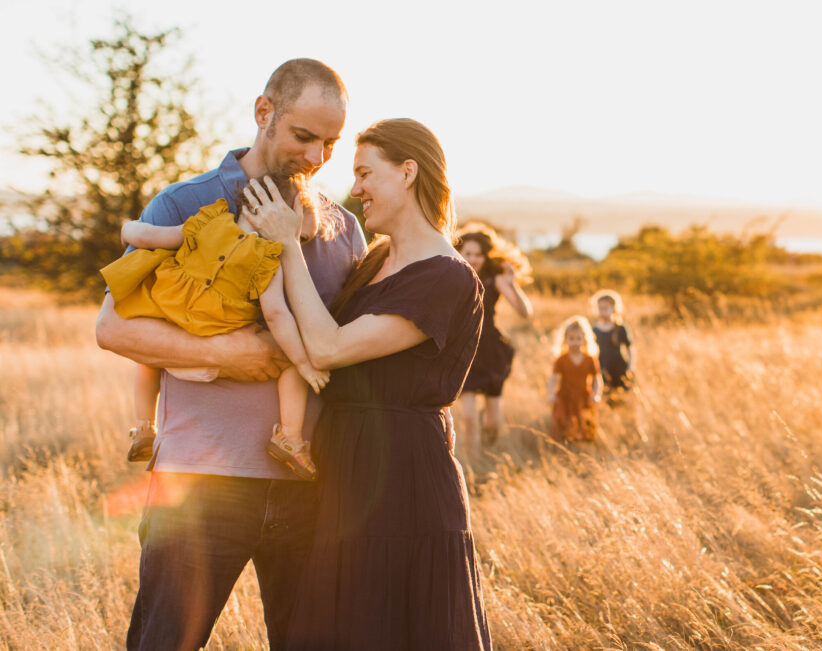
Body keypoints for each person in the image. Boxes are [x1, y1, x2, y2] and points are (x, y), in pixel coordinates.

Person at [95, 59, 366, 651]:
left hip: (311, 488)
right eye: (304, 136)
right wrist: (232, 354)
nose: (317, 156)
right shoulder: (184, 203)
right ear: (263, 113)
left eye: (331, 142)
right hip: (198, 488)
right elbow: (112, 328)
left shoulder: (343, 229)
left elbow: (354, 351)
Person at [243, 117, 491, 649]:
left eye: (364, 173)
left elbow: (329, 347)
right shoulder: (376, 258)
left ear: (407, 172)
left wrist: (285, 241)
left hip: (401, 480)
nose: (354, 189)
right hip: (342, 469)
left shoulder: (447, 277)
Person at [101, 177, 328, 480]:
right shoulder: (267, 257)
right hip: (218, 340)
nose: (296, 245)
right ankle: (290, 438)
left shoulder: (210, 220)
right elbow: (276, 314)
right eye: (298, 235)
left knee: (149, 357)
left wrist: (127, 229)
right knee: (289, 361)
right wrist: (303, 362)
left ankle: (144, 427)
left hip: (174, 326)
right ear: (276, 217)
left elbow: (149, 236)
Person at [455, 223, 533, 453]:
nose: (473, 259)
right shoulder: (452, 277)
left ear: (486, 256)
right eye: (468, 253)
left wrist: (512, 285)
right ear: (459, 253)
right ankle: (474, 465)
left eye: (478, 254)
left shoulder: (494, 278)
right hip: (464, 351)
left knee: (493, 423)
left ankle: (489, 456)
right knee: (468, 419)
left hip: (490, 350)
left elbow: (525, 313)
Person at [547, 315, 603, 442]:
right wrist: (551, 394)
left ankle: (582, 449)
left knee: (585, 423)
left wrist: (596, 394)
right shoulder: (561, 359)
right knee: (563, 423)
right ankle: (563, 447)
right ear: (565, 340)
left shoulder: (590, 359)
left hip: (583, 396)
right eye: (571, 339)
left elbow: (597, 379)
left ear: (584, 339)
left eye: (578, 339)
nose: (575, 342)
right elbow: (553, 379)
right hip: (565, 397)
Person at [590, 289, 636, 396]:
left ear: (614, 309)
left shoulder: (620, 328)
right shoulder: (594, 330)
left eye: (606, 308)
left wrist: (631, 367)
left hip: (619, 368)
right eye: (600, 308)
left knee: (621, 397)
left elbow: (631, 348)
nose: (603, 311)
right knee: (604, 396)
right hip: (601, 368)